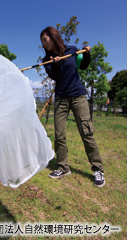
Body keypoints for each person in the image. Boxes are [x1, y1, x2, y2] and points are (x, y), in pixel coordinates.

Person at [40, 26, 105, 188]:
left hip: (78, 95)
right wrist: (55, 64)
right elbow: (55, 76)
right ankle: (63, 167)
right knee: (59, 134)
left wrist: (87, 53)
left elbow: (83, 66)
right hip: (61, 98)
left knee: (86, 131)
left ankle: (97, 168)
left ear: (53, 36)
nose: (44, 43)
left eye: (45, 39)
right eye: (42, 41)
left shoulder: (72, 49)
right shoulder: (46, 60)